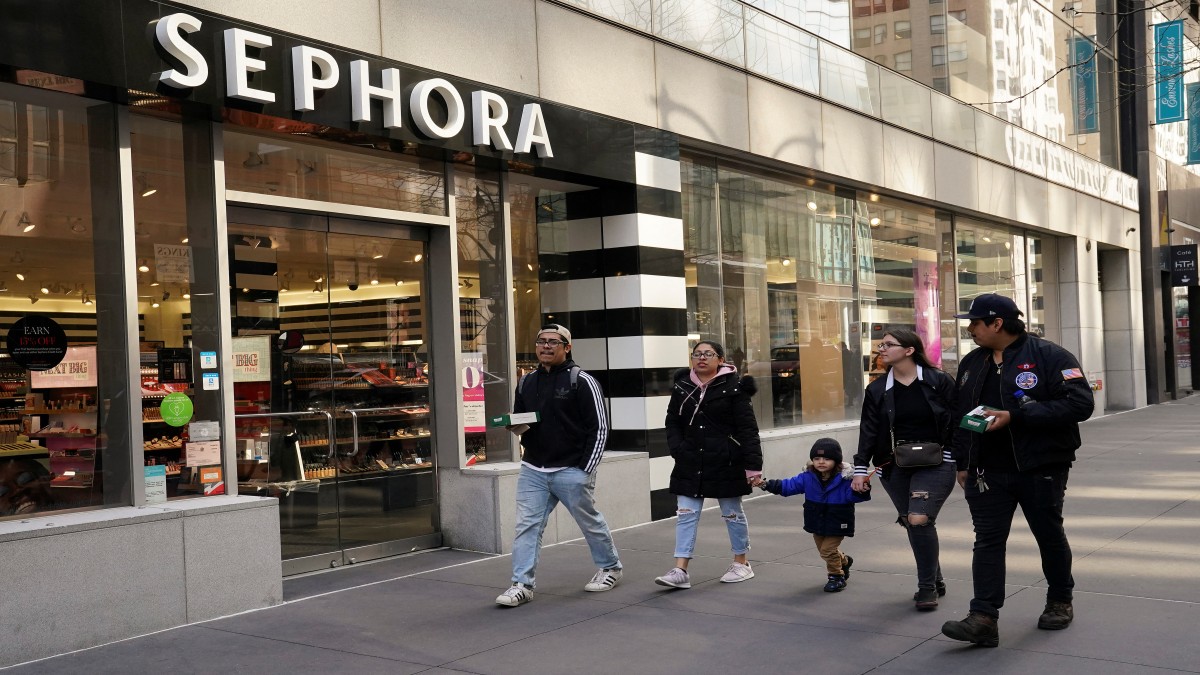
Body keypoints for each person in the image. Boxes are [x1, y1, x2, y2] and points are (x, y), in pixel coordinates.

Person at [940, 294, 1094, 647]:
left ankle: (1060, 600)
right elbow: (961, 415)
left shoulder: (1051, 356)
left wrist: (1018, 416)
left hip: (1040, 466)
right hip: (986, 471)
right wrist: (963, 462)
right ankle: (983, 618)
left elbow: (1080, 403)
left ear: (997, 323)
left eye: (975, 322)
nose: (970, 329)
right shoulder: (972, 363)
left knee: (1048, 534)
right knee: (987, 541)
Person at [495, 324, 622, 607]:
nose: (546, 346)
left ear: (567, 347)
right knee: (527, 526)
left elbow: (600, 428)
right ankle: (521, 585)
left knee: (589, 521)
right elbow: (524, 421)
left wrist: (584, 470)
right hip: (534, 469)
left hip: (571, 469)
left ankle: (610, 567)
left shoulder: (582, 381)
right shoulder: (526, 382)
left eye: (554, 342)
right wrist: (514, 425)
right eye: (541, 341)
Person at [851, 328, 957, 610]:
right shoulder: (877, 389)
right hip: (893, 465)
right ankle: (935, 578)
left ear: (909, 350)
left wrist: (960, 458)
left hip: (937, 462)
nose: (881, 349)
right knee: (911, 521)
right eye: (881, 345)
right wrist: (860, 468)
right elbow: (868, 430)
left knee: (919, 518)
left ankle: (926, 587)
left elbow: (958, 420)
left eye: (888, 345)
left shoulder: (937, 381)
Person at [654, 340, 763, 590]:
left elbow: (748, 430)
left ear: (721, 360)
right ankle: (680, 569)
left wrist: (753, 467)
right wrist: (678, 449)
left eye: (708, 354)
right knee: (686, 514)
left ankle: (741, 563)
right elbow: (672, 421)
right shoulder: (682, 386)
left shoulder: (735, 388)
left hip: (726, 460)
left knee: (732, 513)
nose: (701, 358)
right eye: (697, 354)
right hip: (690, 460)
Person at [754, 438, 870, 592]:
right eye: (817, 458)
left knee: (827, 550)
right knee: (824, 550)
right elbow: (788, 486)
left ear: (836, 460)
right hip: (816, 519)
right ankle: (844, 561)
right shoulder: (807, 476)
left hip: (838, 520)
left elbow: (852, 496)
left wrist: (861, 490)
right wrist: (766, 484)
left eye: (826, 459)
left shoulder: (845, 478)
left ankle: (836, 577)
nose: (821, 462)